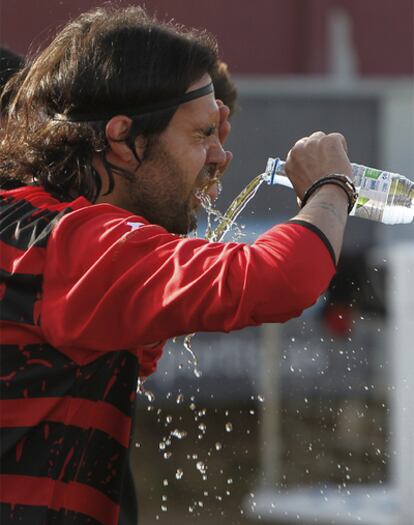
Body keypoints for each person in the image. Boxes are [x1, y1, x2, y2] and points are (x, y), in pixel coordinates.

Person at [0, 5, 356, 525]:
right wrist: (331, 187)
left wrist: (185, 155)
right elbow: (280, 279)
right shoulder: (78, 246)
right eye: (201, 135)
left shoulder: (30, 223)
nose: (220, 156)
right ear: (122, 139)